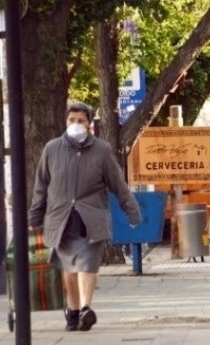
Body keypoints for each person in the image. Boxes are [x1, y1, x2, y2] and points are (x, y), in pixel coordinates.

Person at [28, 103, 141, 331]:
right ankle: (74, 310)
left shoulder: (102, 150)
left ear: (89, 124)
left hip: (91, 219)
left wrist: (132, 211)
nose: (76, 124)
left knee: (87, 265)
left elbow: (118, 184)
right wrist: (35, 217)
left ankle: (87, 308)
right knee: (69, 269)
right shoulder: (52, 149)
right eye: (72, 120)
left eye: (81, 120)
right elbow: (41, 185)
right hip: (61, 219)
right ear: (66, 122)